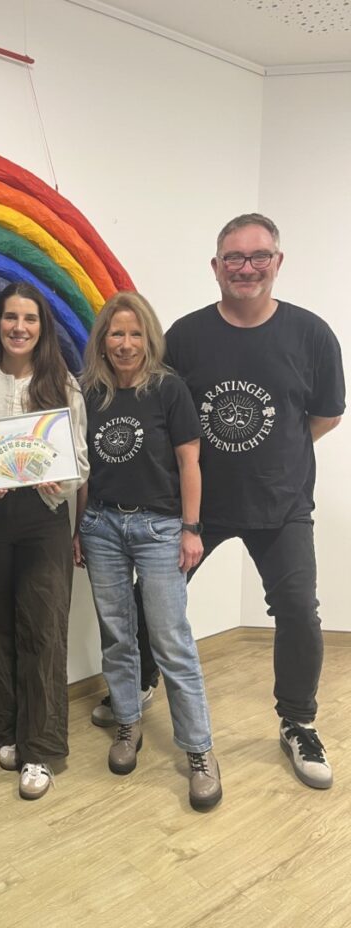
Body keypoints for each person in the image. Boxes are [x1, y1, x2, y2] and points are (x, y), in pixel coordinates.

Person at [164, 213, 344, 789]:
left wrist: (275, 453)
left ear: (277, 262)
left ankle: (298, 722)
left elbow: (325, 415)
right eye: (234, 258)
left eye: (258, 256)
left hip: (282, 503)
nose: (246, 268)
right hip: (199, 505)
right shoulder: (185, 336)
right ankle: (138, 683)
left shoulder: (311, 334)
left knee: (298, 612)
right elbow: (164, 416)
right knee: (157, 598)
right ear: (216, 267)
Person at [74, 291, 222, 811]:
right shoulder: (89, 393)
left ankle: (199, 750)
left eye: (135, 333)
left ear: (149, 338)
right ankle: (127, 722)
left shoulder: (169, 390)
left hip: (160, 528)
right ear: (103, 340)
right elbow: (83, 470)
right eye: (116, 333)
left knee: (170, 641)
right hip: (102, 526)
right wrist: (79, 527)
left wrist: (191, 529)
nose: (126, 343)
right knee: (117, 636)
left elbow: (189, 463)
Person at [0, 282, 89, 800]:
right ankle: (7, 730)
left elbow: (79, 458)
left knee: (44, 629)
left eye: (30, 319)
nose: (19, 327)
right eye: (11, 317)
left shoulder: (64, 385)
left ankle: (41, 749)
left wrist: (61, 481)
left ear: (42, 327)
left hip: (44, 517)